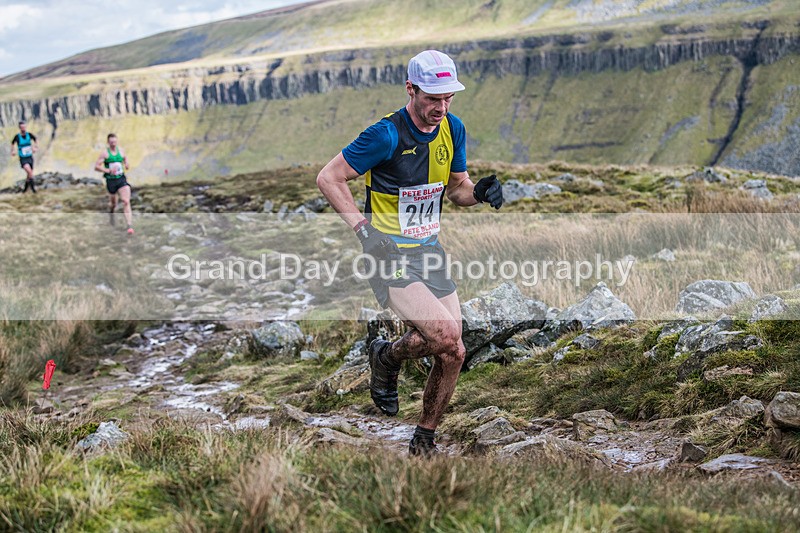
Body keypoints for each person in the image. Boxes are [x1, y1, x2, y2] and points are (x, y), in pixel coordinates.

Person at [317, 50, 503, 456]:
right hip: (387, 254)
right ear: (411, 89)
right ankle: (386, 359)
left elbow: (456, 188)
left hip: (429, 251)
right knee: (446, 333)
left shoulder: (453, 128)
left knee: (454, 351)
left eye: (448, 97)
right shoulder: (385, 135)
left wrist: (480, 192)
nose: (441, 107)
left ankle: (423, 436)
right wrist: (364, 231)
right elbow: (328, 178)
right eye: (432, 97)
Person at [94, 133, 134, 235]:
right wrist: (108, 170)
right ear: (108, 142)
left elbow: (125, 158)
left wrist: (126, 163)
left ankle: (129, 225)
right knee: (113, 204)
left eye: (115, 142)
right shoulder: (105, 154)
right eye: (111, 142)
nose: (113, 144)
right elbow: (97, 166)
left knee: (126, 201)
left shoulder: (121, 151)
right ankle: (111, 214)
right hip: (111, 181)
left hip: (121, 178)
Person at [10, 120, 38, 193]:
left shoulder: (29, 135)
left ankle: (25, 191)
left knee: (29, 175)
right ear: (20, 128)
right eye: (22, 127)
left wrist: (35, 147)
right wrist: (13, 151)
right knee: (29, 172)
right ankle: (33, 190)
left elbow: (35, 139)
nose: (23, 128)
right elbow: (12, 143)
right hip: (23, 158)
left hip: (30, 157)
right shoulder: (17, 137)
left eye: (24, 127)